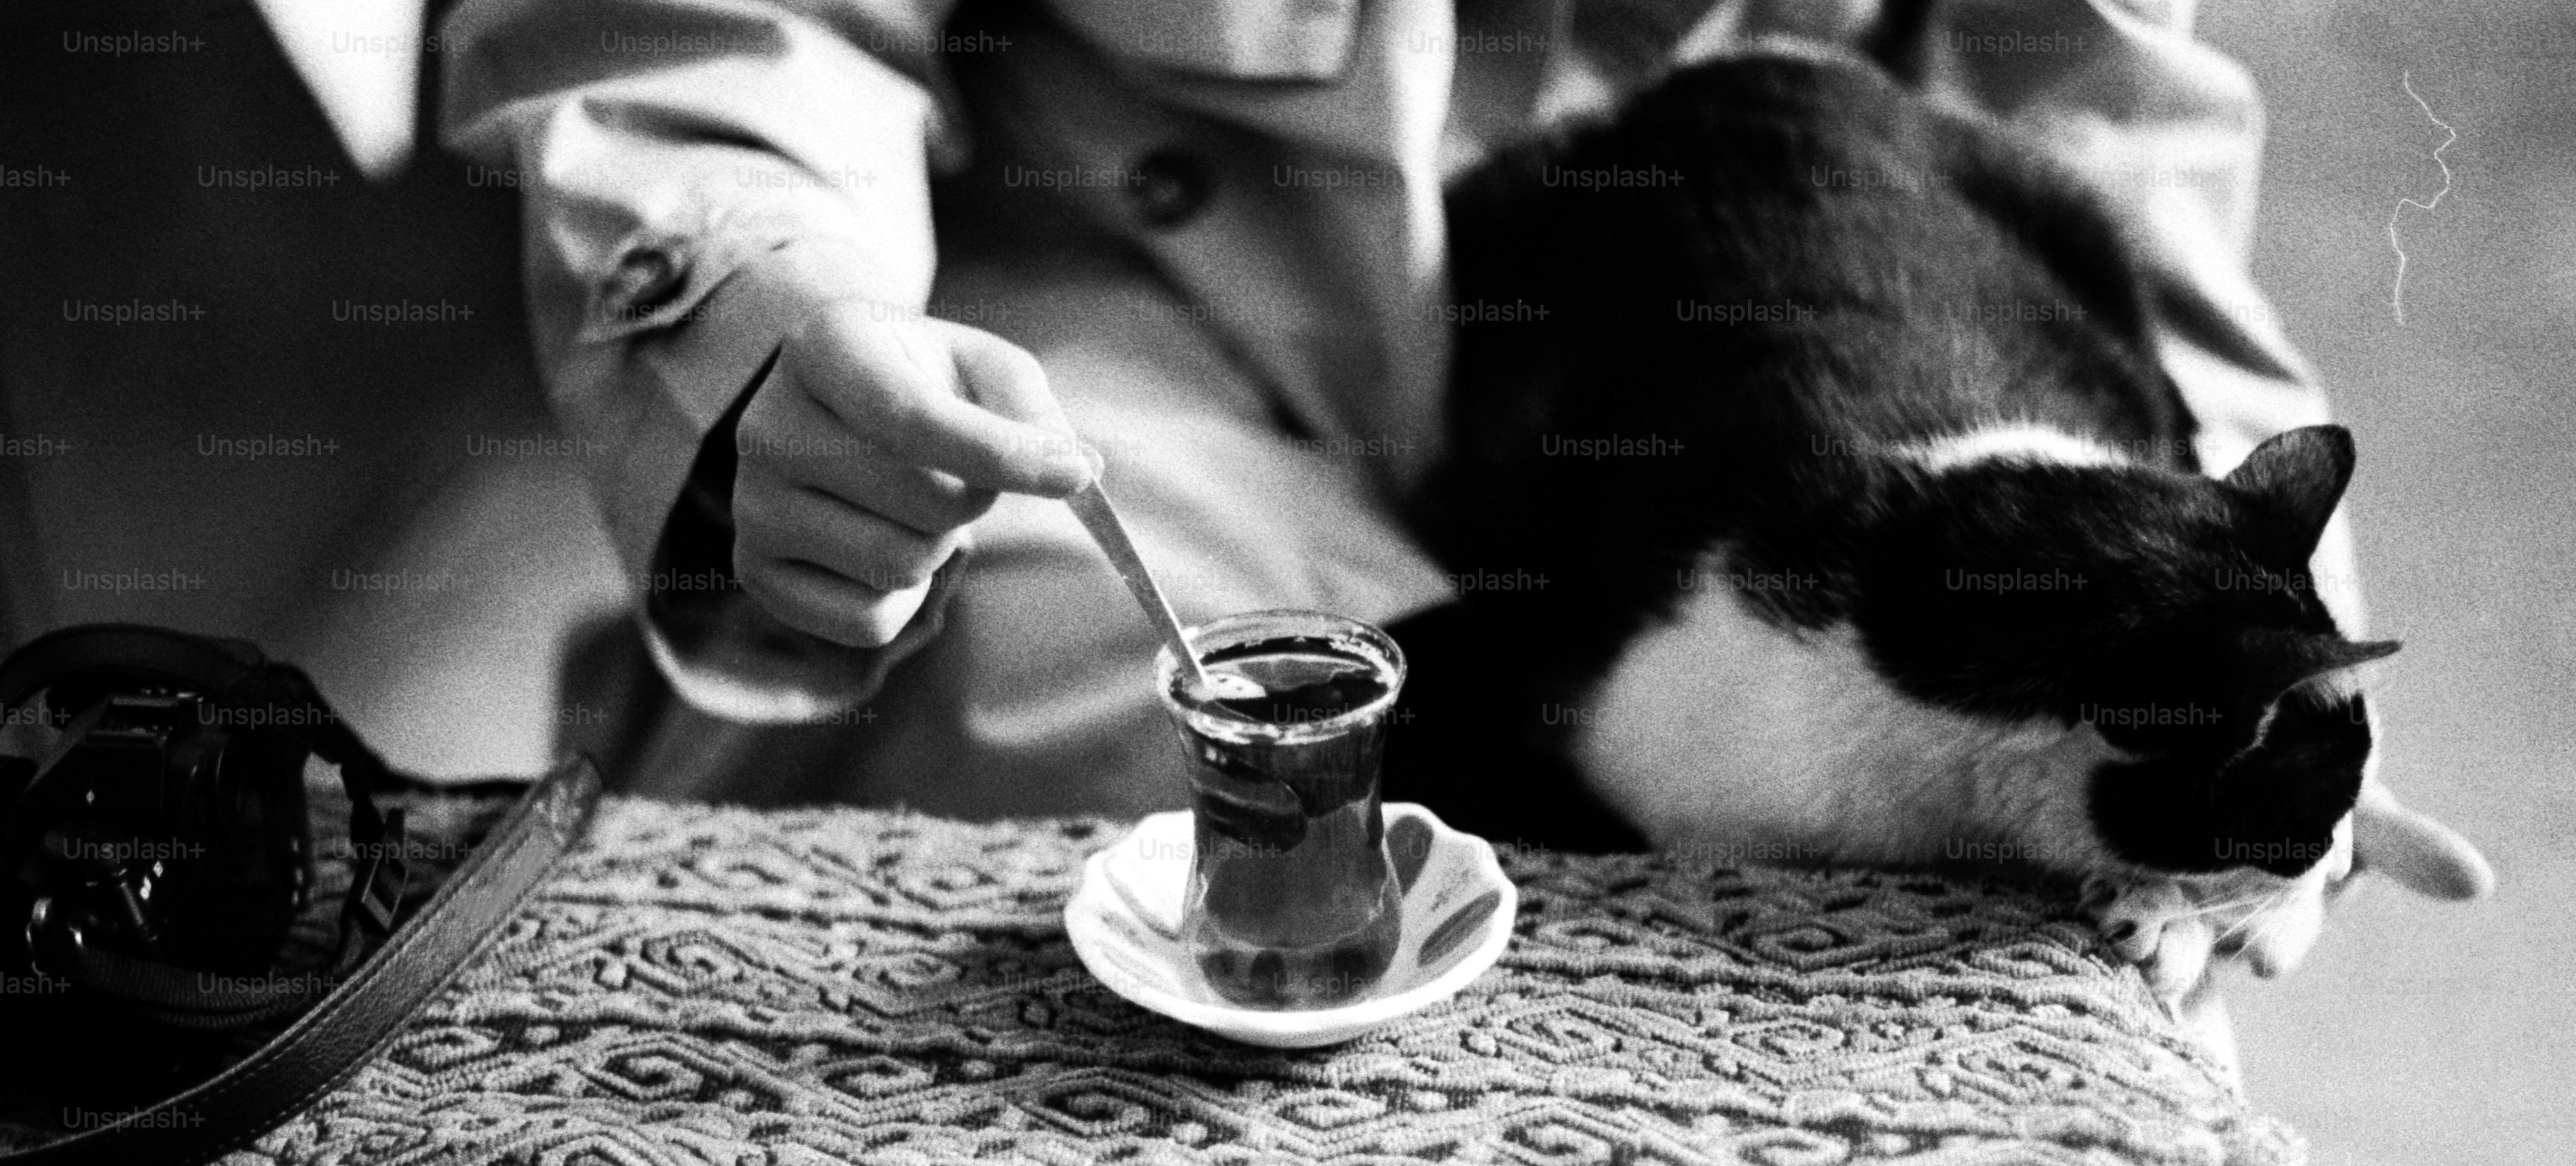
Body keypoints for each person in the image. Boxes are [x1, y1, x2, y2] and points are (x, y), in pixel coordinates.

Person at [440, 0, 2387, 822]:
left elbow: (2089, 114)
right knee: (1186, 784)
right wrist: (779, 333)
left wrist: (2209, 569)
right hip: (1141, 347)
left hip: (1776, 349)